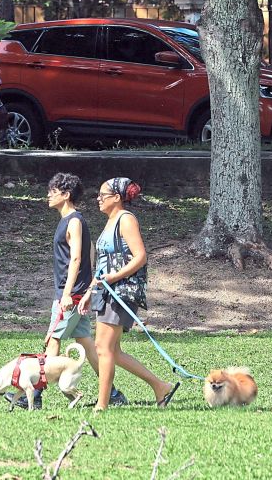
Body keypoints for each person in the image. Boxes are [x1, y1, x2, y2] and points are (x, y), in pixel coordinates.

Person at [19, 173, 126, 410]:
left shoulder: (74, 221)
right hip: (76, 292)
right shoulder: (67, 220)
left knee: (53, 340)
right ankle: (114, 393)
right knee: (86, 343)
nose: (49, 195)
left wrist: (68, 293)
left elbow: (78, 257)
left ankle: (35, 395)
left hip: (71, 294)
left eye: (53, 191)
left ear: (66, 195)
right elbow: (89, 255)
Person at [79, 176, 179, 412]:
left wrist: (114, 278)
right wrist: (90, 291)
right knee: (112, 350)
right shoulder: (110, 221)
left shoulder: (126, 219)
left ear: (116, 197)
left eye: (102, 195)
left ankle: (102, 405)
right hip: (106, 291)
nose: (98, 199)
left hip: (121, 292)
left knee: (103, 348)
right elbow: (103, 264)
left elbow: (140, 256)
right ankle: (160, 386)